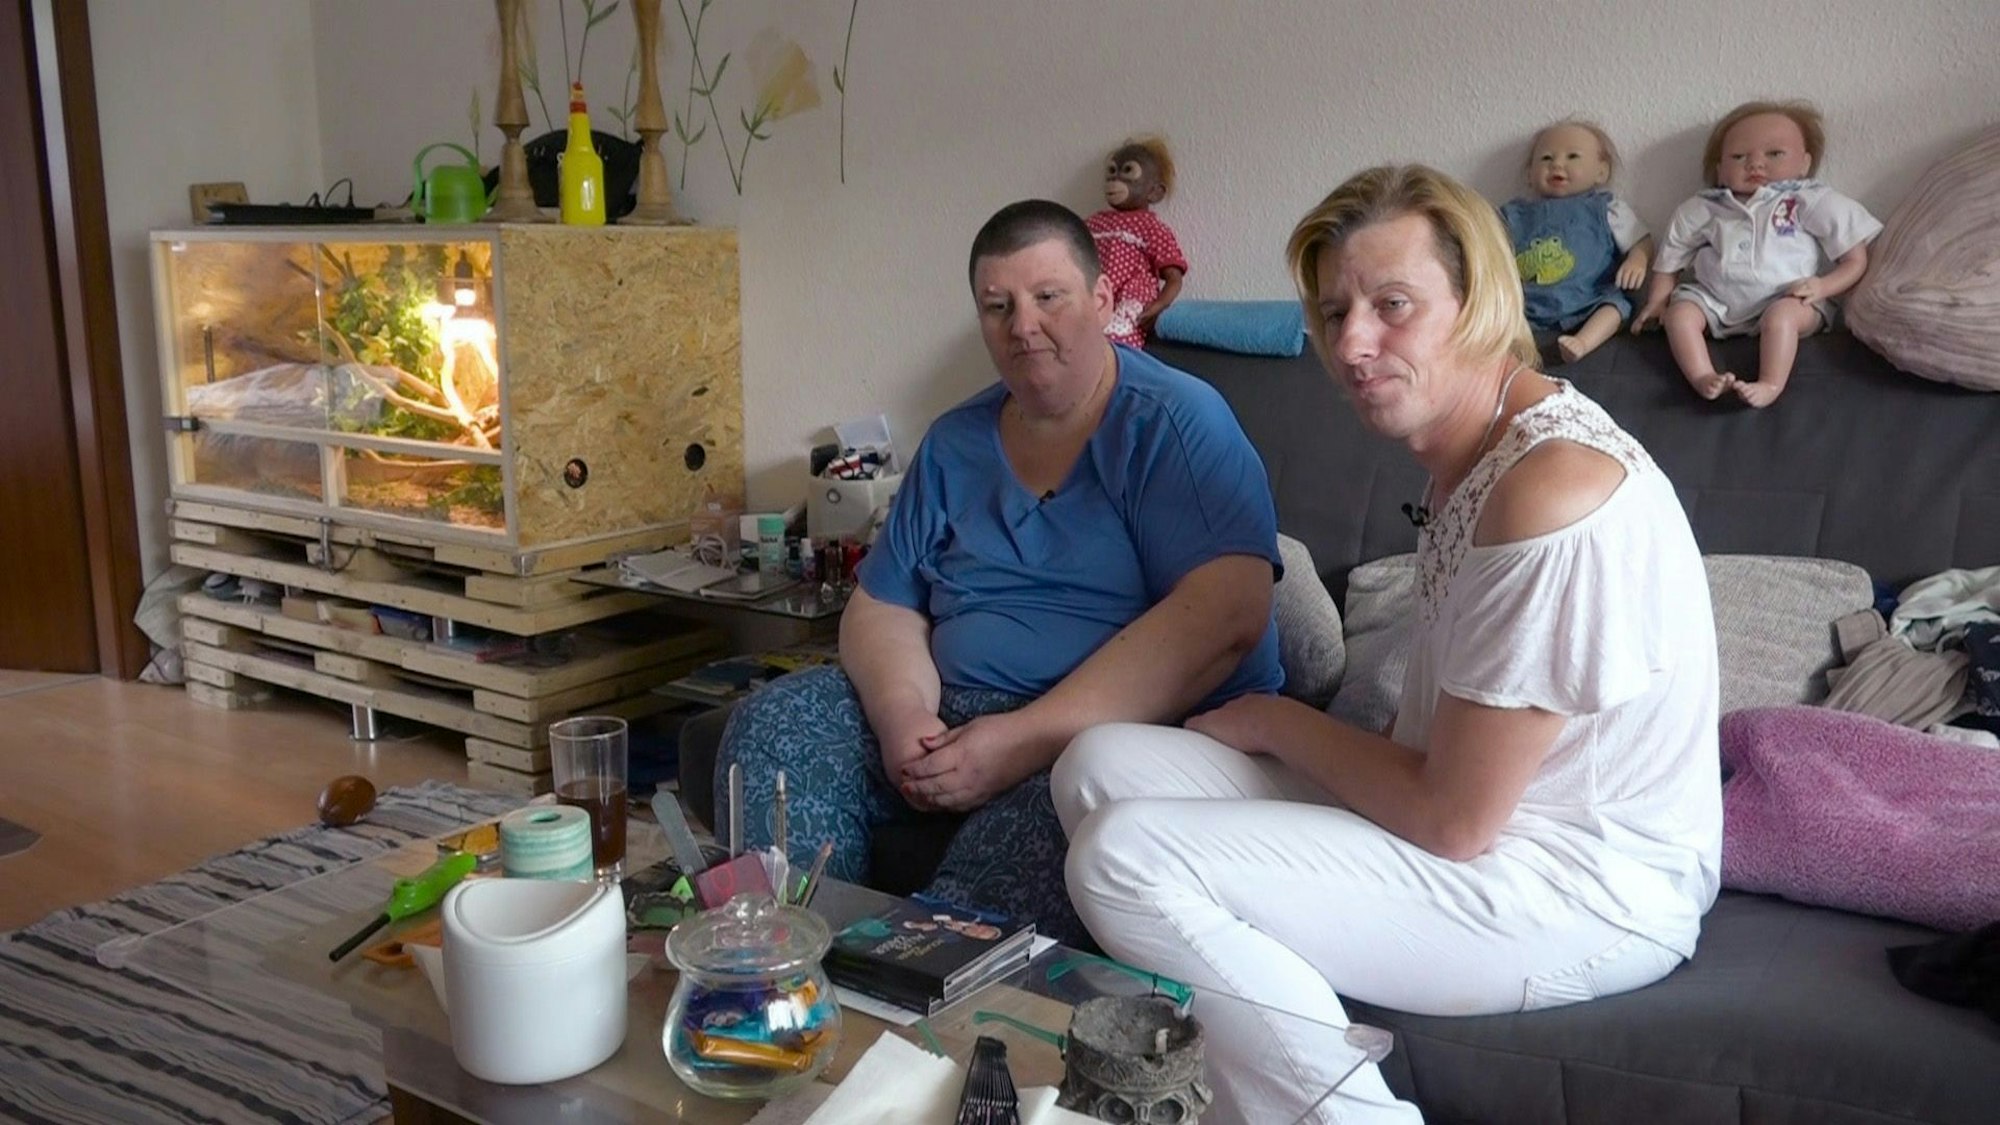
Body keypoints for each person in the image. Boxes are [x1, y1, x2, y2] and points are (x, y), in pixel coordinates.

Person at [1055, 165, 1722, 1124]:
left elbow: (1455, 819)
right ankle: (1247, 1076)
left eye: (1393, 305)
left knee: (1126, 857)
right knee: (1096, 765)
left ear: (1480, 299)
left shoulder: (1551, 485)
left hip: (1579, 888)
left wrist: (1279, 720)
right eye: (1334, 314)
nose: (1353, 346)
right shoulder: (1470, 457)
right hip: (1469, 825)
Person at [713, 199, 1283, 947]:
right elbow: (882, 605)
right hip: (954, 717)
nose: (1023, 325)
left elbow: (1226, 617)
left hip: (1106, 734)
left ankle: (918, 1008)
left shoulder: (1174, 424)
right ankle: (782, 968)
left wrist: (1021, 740)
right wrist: (903, 716)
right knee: (773, 724)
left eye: (1049, 297)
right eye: (998, 305)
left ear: (1104, 302)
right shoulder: (956, 441)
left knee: (1011, 871)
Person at [1631, 100, 1882, 407]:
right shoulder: (1701, 208)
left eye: (1774, 154)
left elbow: (1855, 259)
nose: (1755, 164)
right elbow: (1668, 264)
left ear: (1805, 163)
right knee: (1679, 315)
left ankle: (1770, 384)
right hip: (1715, 302)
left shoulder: (1808, 200)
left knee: (1782, 317)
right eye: (1739, 156)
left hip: (1788, 298)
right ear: (1720, 170)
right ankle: (1702, 376)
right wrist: (1657, 302)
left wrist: (1822, 287)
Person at [1498, 119, 1653, 363]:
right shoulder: (1512, 215)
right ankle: (1515, 351)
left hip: (1590, 298)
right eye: (1546, 158)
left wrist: (1638, 259)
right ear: (1530, 174)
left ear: (1601, 171)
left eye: (1572, 156)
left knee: (1616, 307)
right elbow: (1486, 248)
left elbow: (1640, 239)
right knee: (1498, 313)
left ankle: (1582, 342)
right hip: (1528, 304)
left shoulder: (1606, 208)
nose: (1558, 164)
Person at [1086, 135, 1187, 347]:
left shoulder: (1151, 228)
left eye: (1128, 172)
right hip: (1092, 300)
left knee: (1116, 349)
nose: (1115, 181)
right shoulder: (1093, 223)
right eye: (1112, 172)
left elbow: (1174, 278)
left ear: (1155, 192)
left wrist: (1159, 305)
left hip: (1130, 303)